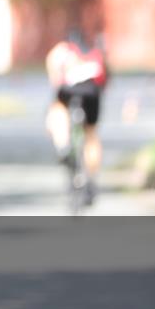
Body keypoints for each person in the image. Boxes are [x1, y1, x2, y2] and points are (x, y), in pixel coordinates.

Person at [45, 28, 108, 205]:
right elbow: (105, 79)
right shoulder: (94, 51)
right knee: (91, 134)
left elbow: (54, 72)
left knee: (57, 109)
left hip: (68, 89)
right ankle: (92, 178)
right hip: (92, 91)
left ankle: (63, 145)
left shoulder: (62, 50)